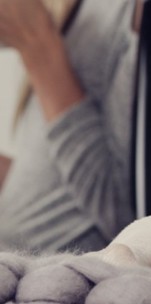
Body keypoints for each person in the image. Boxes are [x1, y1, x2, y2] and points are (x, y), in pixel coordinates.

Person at [0, 0, 138, 254]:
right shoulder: (83, 9)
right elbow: (57, 186)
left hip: (48, 280)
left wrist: (37, 44)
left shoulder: (139, 14)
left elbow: (133, 222)